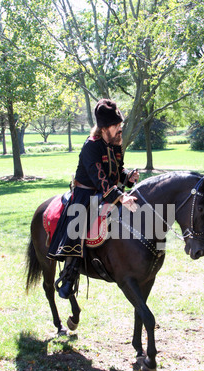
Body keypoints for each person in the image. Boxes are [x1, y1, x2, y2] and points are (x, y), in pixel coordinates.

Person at [47, 98, 139, 299]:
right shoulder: (91, 145)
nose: (119, 129)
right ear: (106, 127)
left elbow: (116, 171)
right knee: (80, 221)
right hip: (85, 193)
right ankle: (70, 273)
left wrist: (127, 177)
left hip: (105, 190)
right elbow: (99, 178)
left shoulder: (114, 144)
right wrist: (121, 196)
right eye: (116, 126)